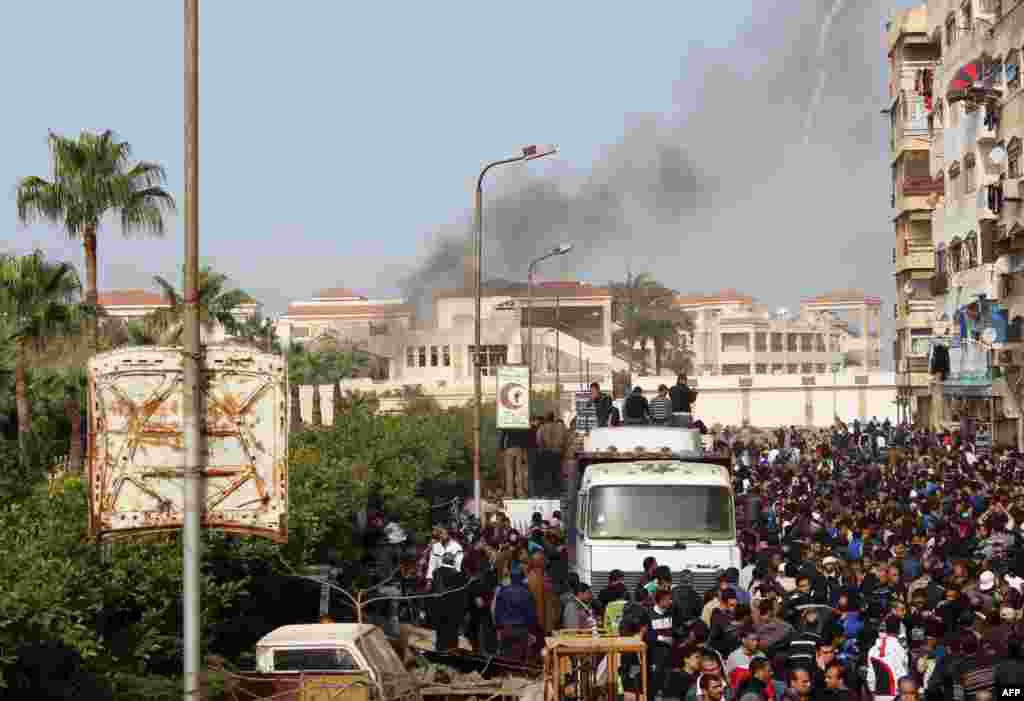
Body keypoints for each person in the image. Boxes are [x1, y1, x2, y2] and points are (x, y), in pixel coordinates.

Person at [536, 412, 567, 497]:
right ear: (553, 418)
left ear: (546, 418)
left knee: (547, 473)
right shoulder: (560, 427)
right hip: (558, 452)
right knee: (557, 472)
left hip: (546, 453)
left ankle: (548, 492)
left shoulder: (542, 428)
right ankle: (558, 492)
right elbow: (565, 439)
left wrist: (542, 449)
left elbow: (539, 440)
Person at [500, 427, 530, 498]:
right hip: (519, 448)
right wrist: (524, 450)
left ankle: (510, 493)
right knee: (519, 471)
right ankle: (520, 493)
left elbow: (503, 436)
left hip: (509, 448)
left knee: (509, 471)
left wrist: (501, 448)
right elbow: (525, 437)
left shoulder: (508, 424)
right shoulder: (520, 424)